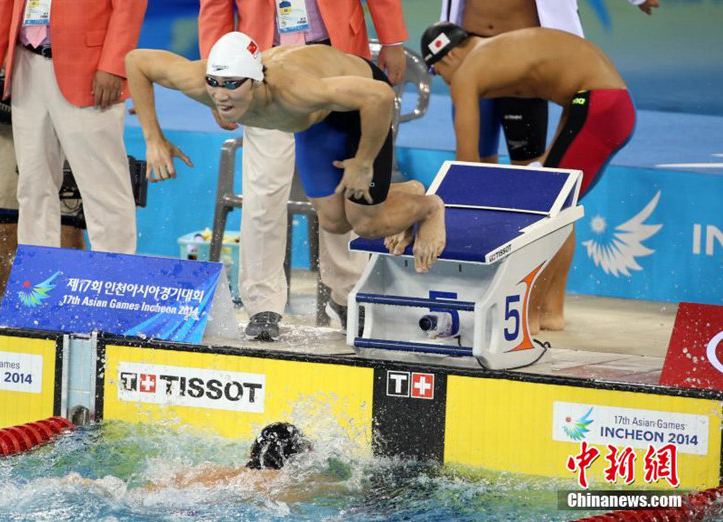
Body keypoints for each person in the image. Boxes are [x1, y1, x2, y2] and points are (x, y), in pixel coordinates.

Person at [127, 33, 446, 280]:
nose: (221, 95)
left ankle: (428, 208)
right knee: (334, 222)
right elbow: (137, 60)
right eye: (215, 83)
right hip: (316, 118)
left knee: (366, 224)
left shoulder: (294, 90)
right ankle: (404, 195)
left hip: (359, 107)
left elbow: (380, 96)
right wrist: (153, 138)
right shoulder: (201, 83)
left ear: (256, 82)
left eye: (232, 85)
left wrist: (363, 163)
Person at [198, 0, 408, 340]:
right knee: (264, 189)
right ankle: (262, 303)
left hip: (333, 60)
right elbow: (214, 7)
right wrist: (221, 79)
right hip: (259, 65)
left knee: (343, 188)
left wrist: (392, 40)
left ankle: (348, 293)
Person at [420, 22, 635, 331]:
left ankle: (526, 316)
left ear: (449, 56)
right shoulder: (498, 49)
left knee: (546, 211)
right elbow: (576, 98)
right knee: (559, 208)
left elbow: (466, 164)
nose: (444, 80)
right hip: (603, 107)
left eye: (438, 73)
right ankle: (548, 311)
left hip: (599, 108)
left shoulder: (467, 72)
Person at [0, 0, 146, 254]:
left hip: (89, 69)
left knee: (103, 187)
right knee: (33, 185)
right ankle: (39, 280)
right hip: (26, 64)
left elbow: (129, 6)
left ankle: (112, 281)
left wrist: (114, 65)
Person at [0, 0, 85, 309]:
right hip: (13, 96)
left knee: (68, 219)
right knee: (5, 215)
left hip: (75, 89)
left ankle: (67, 306)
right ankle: (2, 306)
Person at [438, 0, 658, 167]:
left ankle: (524, 220)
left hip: (525, 57)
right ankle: (481, 220)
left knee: (526, 161)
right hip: (468, 45)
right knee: (478, 155)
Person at [65, 422, 313, 493]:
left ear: (251, 452)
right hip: (187, 505)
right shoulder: (276, 481)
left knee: (128, 494)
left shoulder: (219, 469)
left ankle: (87, 484)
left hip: (172, 490)